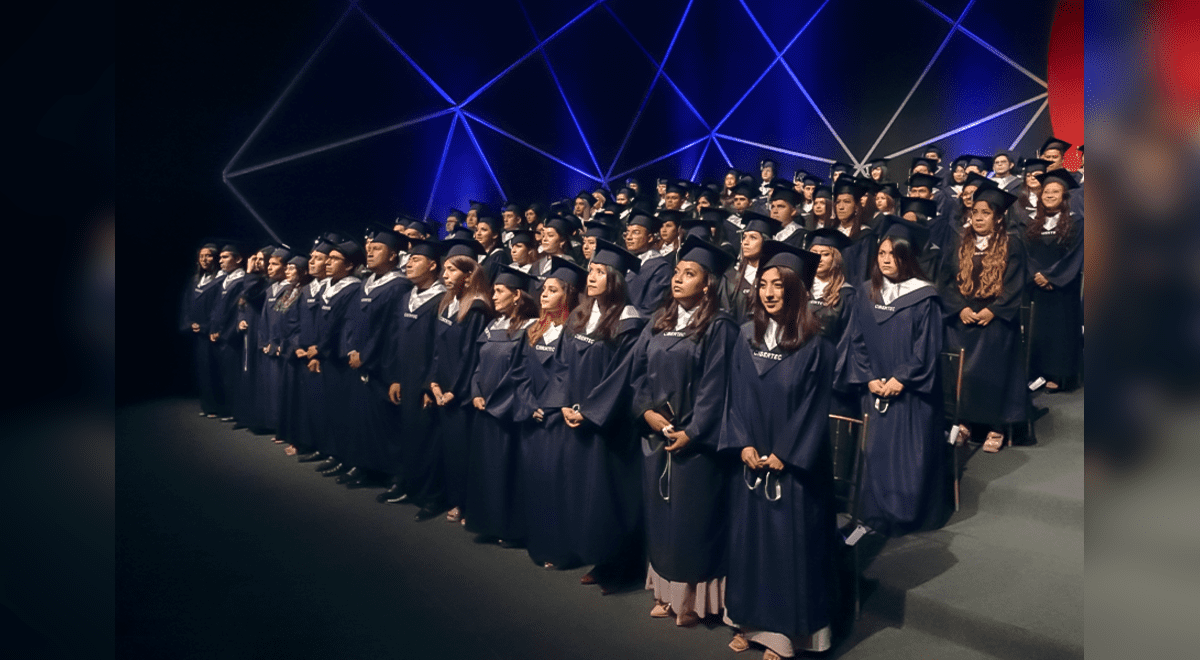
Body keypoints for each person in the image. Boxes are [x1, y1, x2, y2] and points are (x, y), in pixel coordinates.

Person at [719, 241, 836, 659]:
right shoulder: (744, 338)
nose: (769, 293)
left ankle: (786, 634)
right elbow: (732, 396)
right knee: (749, 543)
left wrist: (784, 452)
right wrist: (744, 442)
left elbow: (814, 408)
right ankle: (749, 621)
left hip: (793, 470)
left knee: (789, 548)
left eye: (779, 286)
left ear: (797, 292)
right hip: (751, 461)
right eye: (764, 284)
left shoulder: (816, 347)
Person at [628, 236, 738, 628]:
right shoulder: (661, 319)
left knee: (693, 524)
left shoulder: (719, 326)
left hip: (696, 444)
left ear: (707, 283)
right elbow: (637, 373)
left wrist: (693, 430)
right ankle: (666, 593)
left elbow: (717, 386)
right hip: (657, 435)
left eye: (689, 274)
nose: (678, 279)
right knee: (662, 521)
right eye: (676, 272)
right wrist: (647, 413)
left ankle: (692, 601)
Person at [540, 239, 646, 593]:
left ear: (615, 278)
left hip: (607, 426)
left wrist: (589, 412)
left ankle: (616, 564)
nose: (593, 277)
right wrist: (566, 404)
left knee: (606, 494)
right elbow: (561, 365)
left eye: (601, 272)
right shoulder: (581, 316)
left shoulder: (629, 323)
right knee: (579, 490)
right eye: (592, 271)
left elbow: (624, 378)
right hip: (575, 416)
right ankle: (585, 550)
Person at [846, 220, 949, 535]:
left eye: (894, 254)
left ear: (908, 258)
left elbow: (927, 349)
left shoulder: (924, 297)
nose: (886, 259)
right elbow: (856, 340)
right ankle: (875, 513)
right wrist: (868, 378)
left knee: (909, 457)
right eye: (881, 252)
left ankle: (907, 514)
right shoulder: (866, 292)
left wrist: (901, 379)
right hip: (874, 389)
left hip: (912, 396)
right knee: (873, 451)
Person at [939, 186, 1028, 452]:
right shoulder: (958, 242)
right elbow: (944, 281)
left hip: (996, 318)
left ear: (998, 217)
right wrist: (959, 308)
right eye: (975, 212)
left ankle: (996, 426)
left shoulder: (1012, 243)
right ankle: (964, 422)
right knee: (961, 369)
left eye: (985, 213)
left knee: (993, 366)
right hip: (964, 316)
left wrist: (995, 310)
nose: (978, 218)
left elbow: (1015, 284)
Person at [465, 266, 539, 546]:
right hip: (484, 409)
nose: (493, 297)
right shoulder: (493, 325)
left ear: (517, 295)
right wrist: (475, 391)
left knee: (508, 471)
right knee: (486, 469)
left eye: (499, 292)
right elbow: (478, 364)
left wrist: (496, 402)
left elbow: (523, 372)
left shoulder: (530, 328)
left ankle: (510, 529)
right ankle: (488, 523)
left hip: (509, 412)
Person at [521, 257, 586, 569]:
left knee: (557, 486)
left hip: (558, 418)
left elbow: (570, 377)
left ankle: (559, 550)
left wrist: (546, 406)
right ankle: (537, 542)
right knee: (536, 482)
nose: (543, 295)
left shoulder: (576, 333)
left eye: (552, 290)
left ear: (569, 296)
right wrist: (527, 404)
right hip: (532, 416)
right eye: (543, 289)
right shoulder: (535, 329)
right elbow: (519, 372)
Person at [423, 241, 494, 522]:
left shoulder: (476, 308)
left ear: (468, 275)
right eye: (445, 269)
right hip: (442, 390)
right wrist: (433, 383)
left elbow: (471, 356)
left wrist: (453, 390)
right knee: (445, 451)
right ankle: (449, 497)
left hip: (460, 395)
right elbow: (438, 349)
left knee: (463, 454)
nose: (445, 275)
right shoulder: (446, 303)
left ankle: (465, 503)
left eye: (452, 270)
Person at [340, 229, 411, 488]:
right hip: (358, 360)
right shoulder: (366, 282)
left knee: (386, 423)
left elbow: (390, 331)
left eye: (378, 248)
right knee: (363, 419)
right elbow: (351, 320)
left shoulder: (399, 285)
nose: (369, 251)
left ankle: (394, 475)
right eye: (369, 247)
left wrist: (365, 356)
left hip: (382, 365)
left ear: (393, 255)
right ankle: (365, 466)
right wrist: (350, 349)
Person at [383, 239, 448, 506]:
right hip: (405, 377)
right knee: (405, 434)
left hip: (426, 383)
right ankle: (405, 483)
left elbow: (441, 348)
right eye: (408, 260)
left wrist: (429, 384)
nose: (408, 264)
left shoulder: (442, 300)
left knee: (427, 438)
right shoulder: (405, 297)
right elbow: (395, 339)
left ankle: (429, 495)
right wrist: (395, 377)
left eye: (416, 260)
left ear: (433, 265)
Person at [307, 239, 365, 478]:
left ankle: (346, 457)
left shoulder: (352, 288)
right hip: (327, 356)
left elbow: (341, 325)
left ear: (350, 265)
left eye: (334, 259)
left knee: (345, 412)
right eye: (327, 259)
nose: (328, 263)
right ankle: (333, 451)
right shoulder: (328, 286)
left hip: (340, 357)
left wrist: (320, 349)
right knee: (331, 408)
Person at [1024, 170, 1084, 393]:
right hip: (1036, 286)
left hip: (1063, 288)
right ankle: (1038, 372)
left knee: (1061, 331)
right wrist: (1035, 274)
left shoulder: (1077, 222)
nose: (1049, 195)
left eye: (1055, 191)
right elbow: (1026, 253)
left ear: (1065, 195)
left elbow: (1076, 254)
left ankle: (1060, 374)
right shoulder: (1031, 222)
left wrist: (1051, 276)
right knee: (1037, 329)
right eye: (1046, 191)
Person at [807, 228, 858, 417]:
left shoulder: (847, 295)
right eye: (814, 253)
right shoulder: (799, 288)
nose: (819, 258)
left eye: (825, 254)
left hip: (827, 371)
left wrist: (834, 378)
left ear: (835, 258)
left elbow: (847, 341)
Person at [272, 254, 312, 456]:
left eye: (291, 268)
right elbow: (279, 315)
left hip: (297, 350)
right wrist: (278, 342)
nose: (286, 271)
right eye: (286, 268)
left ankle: (299, 441)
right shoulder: (289, 290)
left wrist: (295, 344)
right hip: (285, 347)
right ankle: (286, 433)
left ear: (303, 272)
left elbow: (301, 323)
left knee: (298, 398)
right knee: (286, 394)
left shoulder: (305, 291)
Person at [180, 240, 225, 418]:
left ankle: (218, 407)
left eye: (208, 256)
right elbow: (187, 304)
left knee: (215, 370)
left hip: (212, 332)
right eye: (201, 256)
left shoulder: (221, 279)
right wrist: (189, 323)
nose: (205, 259)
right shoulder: (196, 280)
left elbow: (220, 307)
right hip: (197, 332)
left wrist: (207, 326)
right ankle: (207, 405)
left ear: (215, 258)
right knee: (202, 369)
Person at [208, 243, 249, 422]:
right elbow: (217, 309)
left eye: (225, 257)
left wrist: (225, 333)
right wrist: (213, 329)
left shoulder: (241, 281)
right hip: (220, 334)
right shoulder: (224, 280)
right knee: (225, 375)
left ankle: (239, 413)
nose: (221, 261)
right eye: (220, 258)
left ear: (238, 259)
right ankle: (229, 409)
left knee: (235, 376)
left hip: (232, 337)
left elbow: (236, 311)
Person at [720, 212, 779, 324]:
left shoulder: (776, 276)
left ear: (765, 242)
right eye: (744, 237)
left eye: (753, 238)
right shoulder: (730, 278)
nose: (745, 243)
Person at [624, 211, 672, 317]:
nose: (628, 237)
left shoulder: (660, 268)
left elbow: (650, 310)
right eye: (627, 232)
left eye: (635, 232)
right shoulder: (624, 261)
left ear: (650, 238)